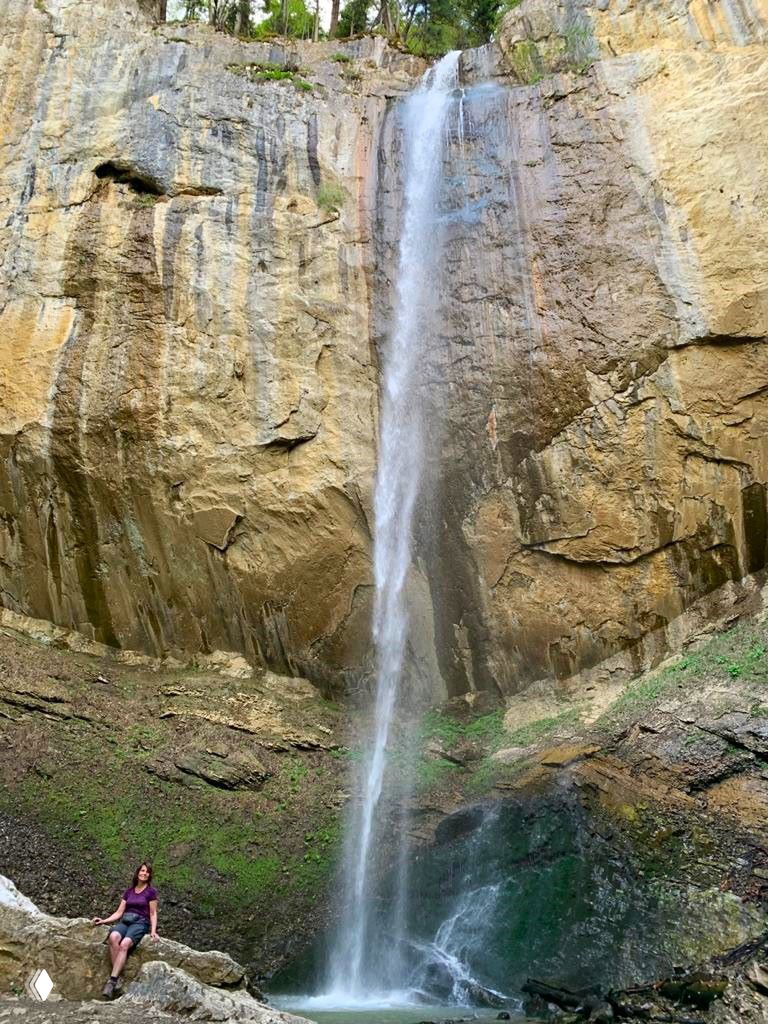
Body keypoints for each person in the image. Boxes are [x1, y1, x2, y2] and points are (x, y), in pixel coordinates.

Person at [91, 862, 159, 998]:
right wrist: (104, 921)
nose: (144, 873)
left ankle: (112, 981)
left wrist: (153, 931)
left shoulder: (151, 892)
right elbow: (119, 912)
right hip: (125, 921)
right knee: (113, 937)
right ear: (138, 872)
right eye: (142, 870)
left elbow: (153, 913)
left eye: (147, 872)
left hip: (140, 923)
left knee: (124, 944)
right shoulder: (129, 891)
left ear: (149, 875)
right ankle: (119, 975)